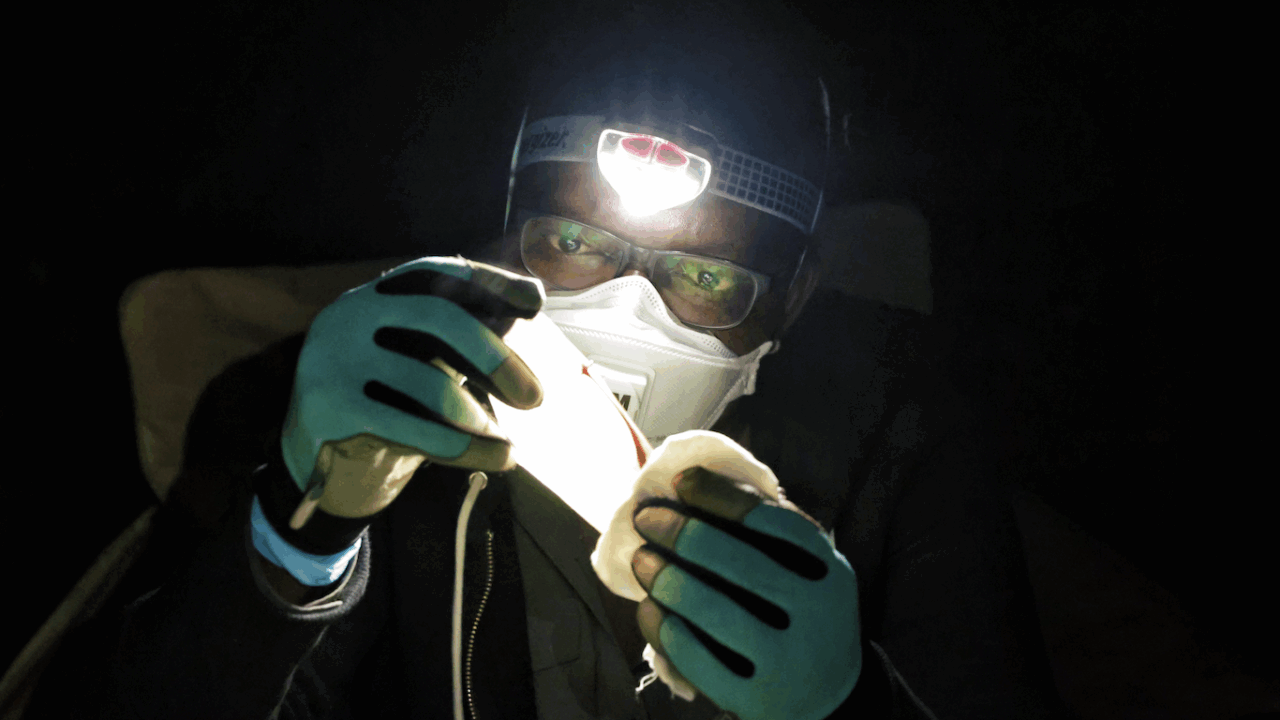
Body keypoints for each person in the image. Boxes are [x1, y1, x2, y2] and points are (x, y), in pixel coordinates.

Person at [24, 3, 1065, 719]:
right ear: (503, 231)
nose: (625, 305)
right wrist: (296, 533)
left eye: (701, 277)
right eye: (572, 244)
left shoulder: (902, 433)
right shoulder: (381, 400)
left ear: (794, 293)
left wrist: (846, 705)